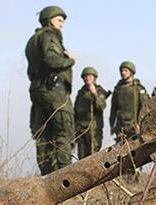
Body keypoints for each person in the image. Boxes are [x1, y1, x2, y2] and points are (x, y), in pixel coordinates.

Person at [25, 5, 76, 175]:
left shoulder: (33, 39)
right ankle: (64, 177)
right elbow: (52, 60)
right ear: (49, 19)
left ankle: (46, 177)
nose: (62, 24)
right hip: (53, 90)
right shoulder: (49, 36)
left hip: (38, 89)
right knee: (63, 131)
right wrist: (70, 61)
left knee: (43, 135)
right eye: (59, 20)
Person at [74, 67, 109, 159]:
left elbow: (101, 107)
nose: (87, 78)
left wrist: (94, 94)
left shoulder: (99, 91)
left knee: (93, 156)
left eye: (89, 76)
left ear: (94, 77)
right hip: (81, 130)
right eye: (85, 76)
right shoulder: (81, 93)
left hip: (93, 130)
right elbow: (76, 112)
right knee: (81, 157)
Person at [109, 61, 148, 141]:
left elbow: (144, 108)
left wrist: (141, 124)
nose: (123, 73)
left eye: (125, 71)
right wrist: (112, 125)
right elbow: (113, 108)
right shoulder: (118, 89)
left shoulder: (139, 89)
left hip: (134, 126)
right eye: (121, 71)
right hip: (121, 126)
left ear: (131, 72)